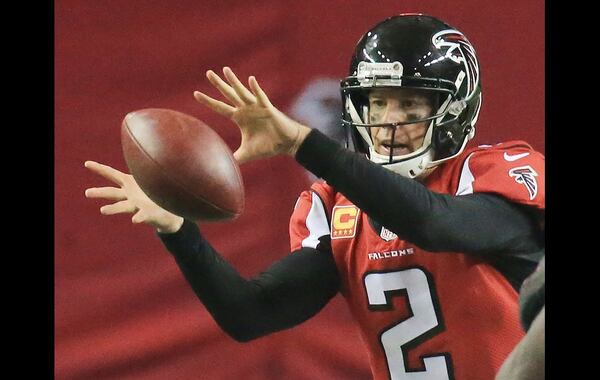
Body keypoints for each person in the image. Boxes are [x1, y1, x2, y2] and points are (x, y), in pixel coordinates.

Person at [85, 14, 545, 380]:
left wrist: (304, 144)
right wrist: (179, 231)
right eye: (378, 103)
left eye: (410, 105)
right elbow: (250, 314)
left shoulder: (492, 175)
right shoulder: (336, 207)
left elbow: (431, 223)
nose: (389, 122)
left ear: (454, 112)